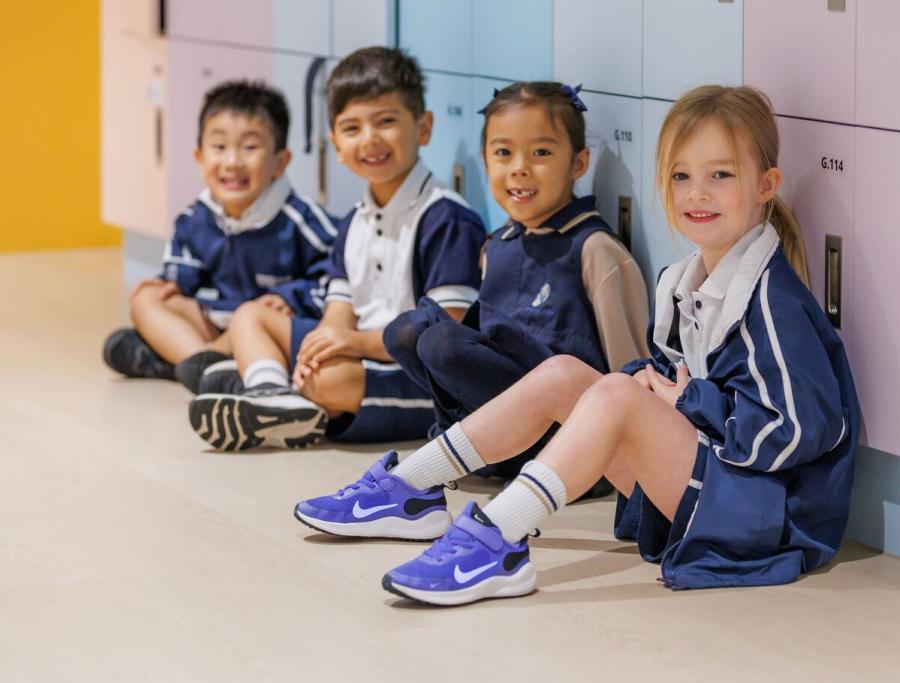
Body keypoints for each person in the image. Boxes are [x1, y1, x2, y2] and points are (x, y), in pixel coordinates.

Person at [294, 85, 859, 605]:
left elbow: (802, 429)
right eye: (681, 177)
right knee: (568, 373)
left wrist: (684, 402)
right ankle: (410, 490)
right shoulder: (683, 279)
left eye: (722, 176)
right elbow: (674, 379)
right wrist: (653, 384)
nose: (698, 194)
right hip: (708, 484)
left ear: (766, 186)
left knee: (613, 393)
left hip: (765, 518)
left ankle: (499, 537)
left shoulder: (772, 300)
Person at [188, 47, 485, 451]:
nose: (370, 139)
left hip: (422, 375)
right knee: (250, 316)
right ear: (336, 145)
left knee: (328, 379)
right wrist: (321, 345)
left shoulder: (446, 219)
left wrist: (351, 346)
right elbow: (337, 313)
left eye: (386, 121)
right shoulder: (354, 221)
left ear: (424, 127)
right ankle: (274, 396)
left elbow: (446, 337)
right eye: (352, 128)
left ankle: (270, 382)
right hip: (361, 353)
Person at [382, 81, 649, 480]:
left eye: (541, 152)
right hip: (502, 419)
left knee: (441, 341)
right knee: (407, 330)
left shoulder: (594, 248)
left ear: (578, 164)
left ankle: (470, 450)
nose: (519, 167)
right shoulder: (498, 244)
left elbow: (631, 370)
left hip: (566, 437)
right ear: (486, 160)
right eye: (503, 152)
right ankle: (471, 444)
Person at [102, 80, 336, 393]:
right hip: (217, 325)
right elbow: (184, 274)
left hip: (268, 331)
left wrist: (290, 297)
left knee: (253, 320)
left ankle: (177, 362)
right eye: (219, 147)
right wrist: (172, 282)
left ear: (280, 163)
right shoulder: (194, 218)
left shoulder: (302, 221)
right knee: (147, 300)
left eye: (250, 147)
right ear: (199, 158)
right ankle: (205, 366)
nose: (232, 162)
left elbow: (337, 279)